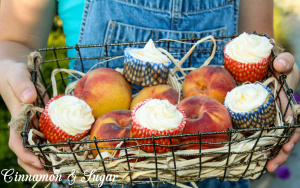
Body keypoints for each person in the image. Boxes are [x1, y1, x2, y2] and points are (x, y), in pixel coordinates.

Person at [0, 0, 299, 187]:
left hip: (217, 166)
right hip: (96, 169)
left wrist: (281, 77)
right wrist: (15, 85)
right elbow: (13, 40)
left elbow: (259, 44)